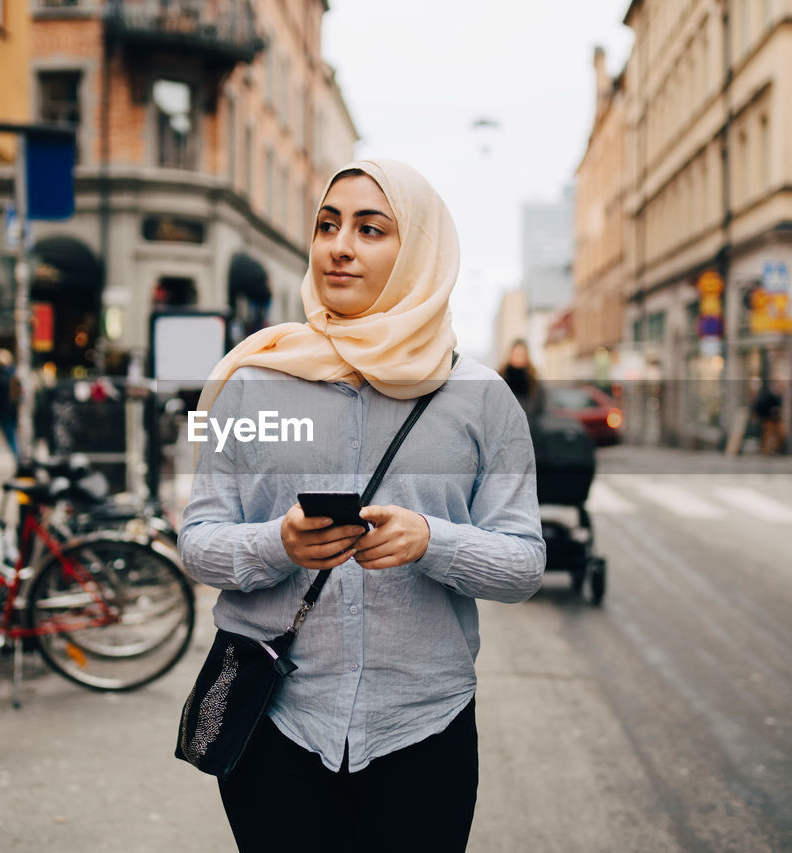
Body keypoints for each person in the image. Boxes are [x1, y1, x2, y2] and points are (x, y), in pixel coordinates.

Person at [179, 159, 545, 853]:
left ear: (418, 253)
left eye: (371, 228)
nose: (340, 245)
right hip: (277, 723)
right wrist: (277, 545)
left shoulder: (481, 398)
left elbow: (525, 562)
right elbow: (197, 540)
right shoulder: (252, 381)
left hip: (423, 726)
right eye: (327, 224)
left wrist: (432, 540)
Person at [499, 338, 543, 419]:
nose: (519, 358)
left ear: (527, 357)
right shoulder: (500, 378)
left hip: (529, 427)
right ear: (510, 355)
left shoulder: (534, 382)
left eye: (522, 355)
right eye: (516, 354)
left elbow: (541, 410)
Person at [0, 348, 19, 461]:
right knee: (12, 436)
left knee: (11, 436)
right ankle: (19, 459)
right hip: (11, 411)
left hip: (4, 411)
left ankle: (19, 459)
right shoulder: (12, 374)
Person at [752, 381, 784, 456]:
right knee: (767, 434)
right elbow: (760, 406)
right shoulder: (766, 395)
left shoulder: (777, 396)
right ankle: (765, 451)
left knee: (780, 433)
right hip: (767, 418)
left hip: (775, 419)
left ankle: (774, 450)